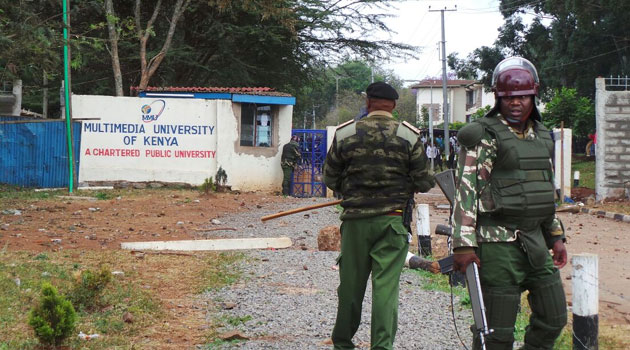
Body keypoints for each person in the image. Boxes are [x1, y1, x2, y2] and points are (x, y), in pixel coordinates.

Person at [452, 57, 568, 350]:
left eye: (523, 97)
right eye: (508, 97)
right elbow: (466, 192)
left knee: (553, 319)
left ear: (534, 95)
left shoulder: (542, 135)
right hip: (498, 245)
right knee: (496, 334)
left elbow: (543, 189)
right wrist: (464, 246)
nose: (516, 103)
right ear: (498, 97)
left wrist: (555, 235)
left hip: (536, 243)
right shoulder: (485, 135)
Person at [323, 81, 434, 350]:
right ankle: (381, 347)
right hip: (393, 221)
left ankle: (342, 343)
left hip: (355, 222)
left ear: (368, 102)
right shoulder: (408, 136)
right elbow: (425, 181)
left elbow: (329, 177)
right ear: (394, 106)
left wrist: (348, 187)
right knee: (385, 288)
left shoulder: (346, 133)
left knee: (351, 287)